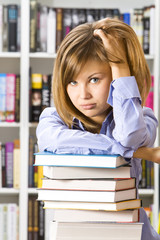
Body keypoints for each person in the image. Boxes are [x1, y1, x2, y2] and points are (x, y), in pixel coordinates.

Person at [36, 18, 160, 239]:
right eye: (72, 82)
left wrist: (120, 64)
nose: (82, 95)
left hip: (133, 233)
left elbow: (130, 137)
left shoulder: (143, 119)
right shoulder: (53, 120)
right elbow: (56, 143)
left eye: (94, 79)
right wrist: (138, 153)